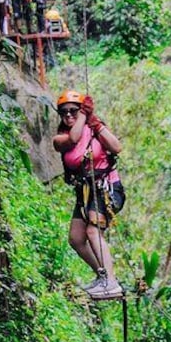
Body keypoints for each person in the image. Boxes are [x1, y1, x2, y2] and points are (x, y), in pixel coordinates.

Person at [53, 90, 125, 299]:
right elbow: (74, 138)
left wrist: (96, 124)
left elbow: (116, 147)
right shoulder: (61, 139)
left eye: (73, 111)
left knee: (93, 232)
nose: (68, 116)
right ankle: (103, 275)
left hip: (107, 189)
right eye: (64, 113)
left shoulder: (93, 129)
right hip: (85, 193)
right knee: (76, 238)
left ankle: (111, 282)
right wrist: (83, 114)